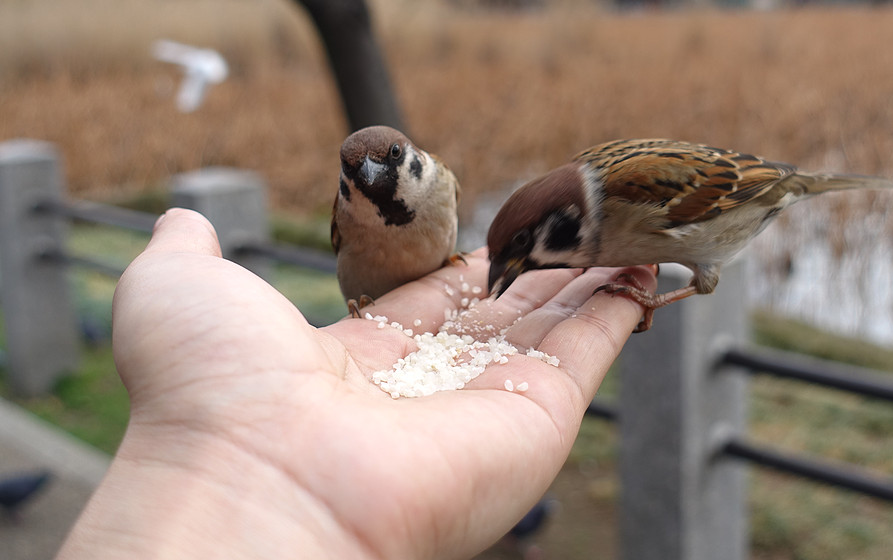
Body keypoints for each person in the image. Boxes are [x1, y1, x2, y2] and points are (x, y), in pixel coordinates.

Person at [58, 208, 656, 559]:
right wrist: (234, 460)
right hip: (384, 322)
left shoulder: (441, 191)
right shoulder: (347, 215)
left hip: (431, 318)